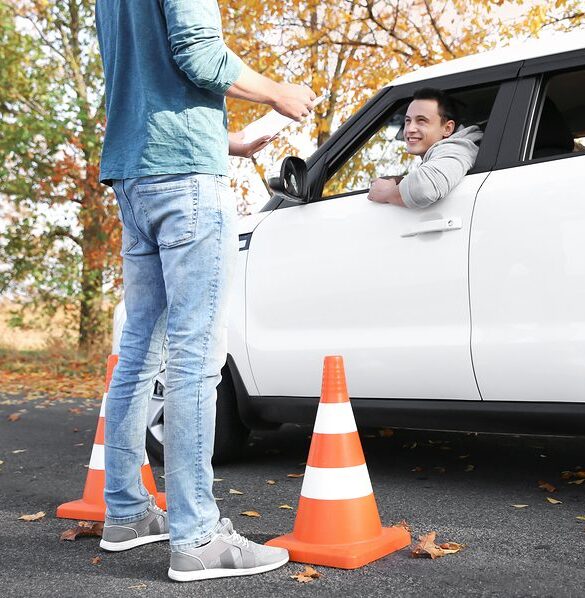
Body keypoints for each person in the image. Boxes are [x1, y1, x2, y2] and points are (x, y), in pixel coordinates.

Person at [94, 0, 315, 582]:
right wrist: (276, 93)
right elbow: (198, 54)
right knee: (195, 360)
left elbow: (144, 76)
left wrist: (229, 141)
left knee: (139, 353)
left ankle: (126, 513)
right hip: (186, 180)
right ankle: (198, 538)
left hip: (135, 174)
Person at [367, 88, 483, 208]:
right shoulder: (449, 154)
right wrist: (400, 181)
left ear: (447, 128)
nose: (410, 129)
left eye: (421, 121)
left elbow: (424, 188)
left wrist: (384, 194)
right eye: (408, 121)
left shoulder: (459, 149)